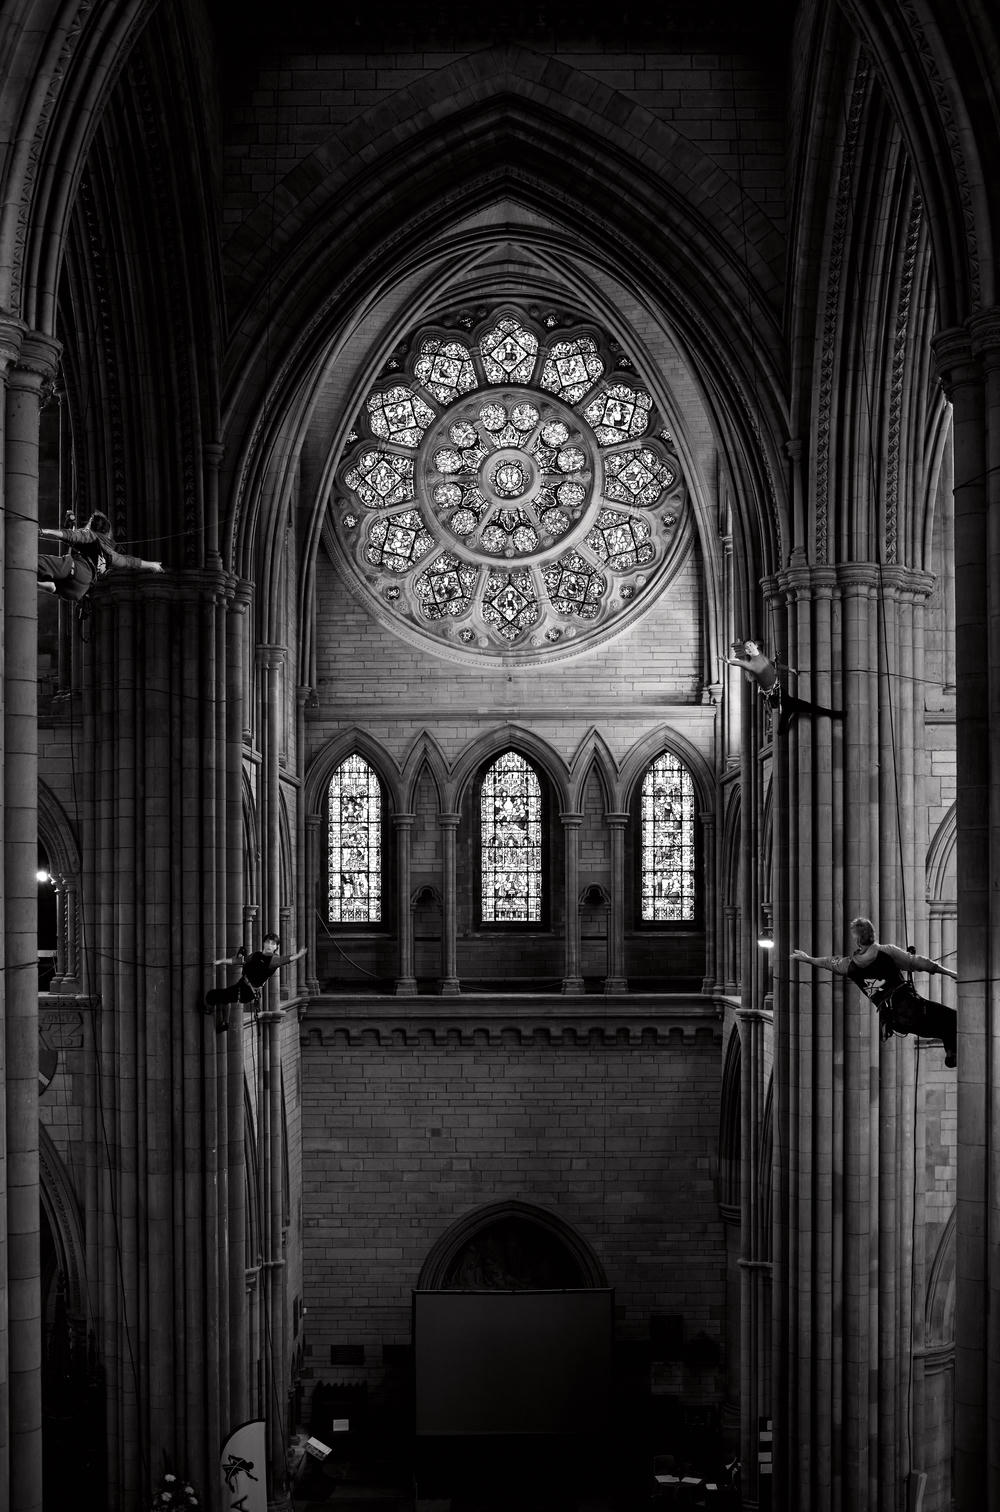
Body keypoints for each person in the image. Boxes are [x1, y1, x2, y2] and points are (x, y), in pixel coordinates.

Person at [791, 915, 958, 1066]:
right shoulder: (887, 952)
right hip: (912, 1008)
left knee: (944, 1028)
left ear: (857, 941)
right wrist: (950, 973)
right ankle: (952, 1053)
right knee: (953, 1019)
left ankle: (951, 1053)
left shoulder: (850, 966)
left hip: (895, 1021)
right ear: (873, 935)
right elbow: (919, 962)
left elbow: (829, 962)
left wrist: (807, 959)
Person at [719, 638, 841, 735]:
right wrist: (729, 661)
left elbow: (773, 664)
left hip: (780, 691)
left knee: (791, 708)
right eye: (746, 648)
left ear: (755, 645)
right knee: (804, 706)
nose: (749, 648)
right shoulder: (751, 664)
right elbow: (742, 664)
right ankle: (834, 714)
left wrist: (790, 669)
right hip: (773, 696)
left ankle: (782, 729)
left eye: (750, 645)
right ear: (746, 652)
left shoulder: (761, 656)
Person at [37, 511, 164, 602]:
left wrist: (45, 531)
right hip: (79, 590)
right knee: (55, 586)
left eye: (89, 522)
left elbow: (72, 536)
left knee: (38, 561)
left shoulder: (92, 536)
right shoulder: (111, 555)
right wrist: (152, 565)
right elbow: (130, 562)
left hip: (77, 569)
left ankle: (44, 582)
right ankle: (45, 586)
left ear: (93, 526)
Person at [204, 933, 307, 1033]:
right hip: (241, 985)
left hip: (246, 992)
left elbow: (285, 959)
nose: (270, 945)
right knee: (225, 998)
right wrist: (221, 961)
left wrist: (298, 955)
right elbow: (239, 960)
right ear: (264, 943)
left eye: (273, 944)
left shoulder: (273, 960)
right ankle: (225, 1023)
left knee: (212, 995)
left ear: (276, 947)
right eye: (268, 942)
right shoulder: (256, 955)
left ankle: (209, 1009)